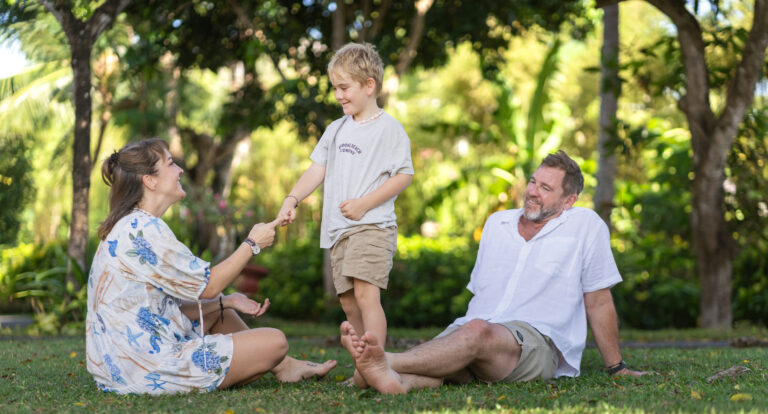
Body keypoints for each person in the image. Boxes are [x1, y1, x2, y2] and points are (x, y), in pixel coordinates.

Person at [340, 150, 648, 394]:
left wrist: (616, 367)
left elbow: (598, 300)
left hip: (534, 343)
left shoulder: (584, 226)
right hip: (475, 333)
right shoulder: (496, 224)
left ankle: (383, 361)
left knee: (475, 333)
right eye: (532, 182)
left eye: (545, 188)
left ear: (569, 200)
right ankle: (396, 380)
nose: (533, 192)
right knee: (450, 355)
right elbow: (482, 295)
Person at [86, 138, 336, 394]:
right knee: (275, 341)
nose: (180, 170)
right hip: (146, 369)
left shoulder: (132, 225)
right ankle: (280, 363)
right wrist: (252, 244)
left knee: (221, 306)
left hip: (121, 366)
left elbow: (164, 311)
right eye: (171, 164)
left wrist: (226, 302)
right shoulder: (144, 230)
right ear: (149, 181)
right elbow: (207, 286)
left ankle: (286, 367)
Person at [278, 42, 413, 353]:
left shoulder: (389, 129)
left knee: (367, 295)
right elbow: (316, 170)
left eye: (344, 87)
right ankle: (364, 365)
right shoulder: (336, 129)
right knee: (350, 303)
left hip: (372, 226)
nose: (338, 95)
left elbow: (403, 176)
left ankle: (378, 362)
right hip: (340, 232)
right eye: (335, 88)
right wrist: (292, 199)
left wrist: (365, 203)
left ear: (369, 85)